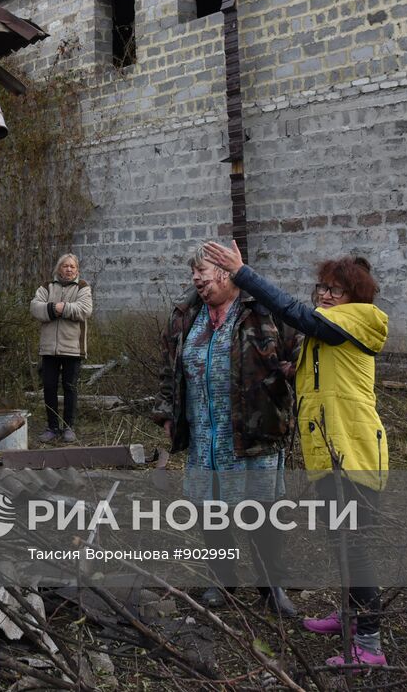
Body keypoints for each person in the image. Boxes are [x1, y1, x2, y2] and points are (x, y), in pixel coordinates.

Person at [203, 240, 389, 668]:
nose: (324, 296)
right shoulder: (329, 332)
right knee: (339, 542)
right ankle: (348, 619)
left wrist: (243, 273)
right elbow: (312, 378)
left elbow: (293, 313)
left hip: (354, 453)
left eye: (335, 291)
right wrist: (278, 367)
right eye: (321, 287)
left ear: (354, 298)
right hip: (330, 452)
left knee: (353, 548)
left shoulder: (358, 321)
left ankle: (371, 646)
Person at [153, 244, 297, 615]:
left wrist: (293, 373)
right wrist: (169, 411)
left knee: (261, 513)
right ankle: (222, 580)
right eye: (193, 273)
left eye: (203, 270)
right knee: (210, 512)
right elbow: (171, 368)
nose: (197, 279)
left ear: (228, 271)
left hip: (254, 431)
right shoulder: (186, 314)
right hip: (204, 434)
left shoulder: (262, 310)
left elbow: (298, 352)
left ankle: (272, 587)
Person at [30, 254, 93, 443]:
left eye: (72, 266)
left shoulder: (82, 287)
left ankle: (69, 427)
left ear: (77, 270)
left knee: (70, 388)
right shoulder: (46, 286)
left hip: (73, 348)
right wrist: (53, 309)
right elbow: (35, 307)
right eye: (65, 266)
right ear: (59, 268)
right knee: (49, 387)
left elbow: (84, 310)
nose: (69, 269)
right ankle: (52, 427)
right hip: (49, 348)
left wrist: (61, 308)